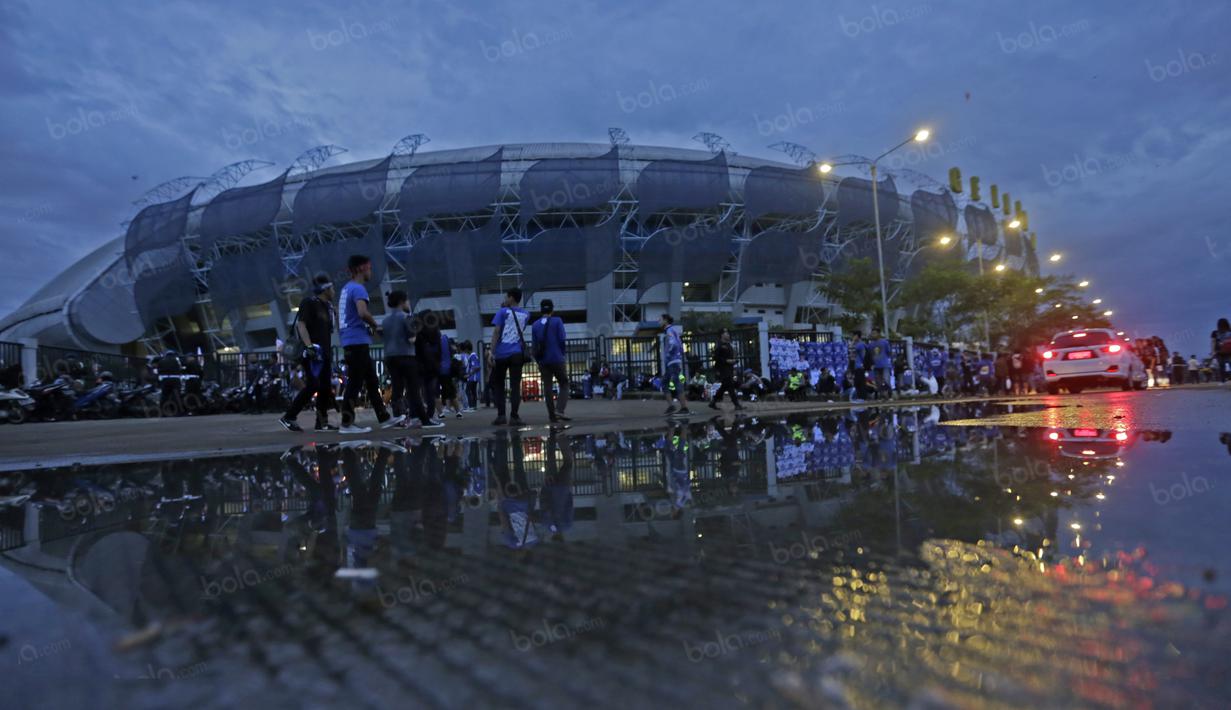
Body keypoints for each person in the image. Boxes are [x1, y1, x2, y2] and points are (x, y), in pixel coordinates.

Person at [338, 254, 403, 433]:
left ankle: (383, 417)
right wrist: (375, 325)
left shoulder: (346, 288)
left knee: (371, 381)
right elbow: (361, 312)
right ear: (360, 269)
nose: (370, 271)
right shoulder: (358, 289)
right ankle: (346, 423)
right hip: (356, 342)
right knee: (355, 383)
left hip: (352, 340)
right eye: (369, 267)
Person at [280, 275, 339, 432]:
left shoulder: (327, 306)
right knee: (314, 384)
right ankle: (289, 416)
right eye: (332, 288)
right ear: (325, 289)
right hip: (313, 353)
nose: (334, 291)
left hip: (325, 351)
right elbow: (301, 324)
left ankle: (322, 422)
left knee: (325, 387)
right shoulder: (309, 303)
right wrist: (309, 346)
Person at [381, 292, 440, 430]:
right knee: (413, 390)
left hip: (389, 357)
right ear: (402, 302)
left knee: (397, 388)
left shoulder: (385, 320)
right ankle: (424, 420)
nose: (408, 303)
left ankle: (397, 418)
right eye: (407, 301)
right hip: (406, 356)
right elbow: (411, 339)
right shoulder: (406, 317)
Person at [487, 287, 530, 425]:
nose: (505, 299)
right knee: (515, 386)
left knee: (498, 384)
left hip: (501, 354)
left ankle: (501, 416)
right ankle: (515, 416)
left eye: (506, 297)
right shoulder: (526, 314)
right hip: (517, 353)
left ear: (511, 298)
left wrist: (491, 352)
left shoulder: (502, 312)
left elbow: (497, 332)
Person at [532, 298, 571, 423]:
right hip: (557, 358)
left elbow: (534, 346)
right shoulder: (557, 321)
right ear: (552, 310)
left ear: (541, 309)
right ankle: (559, 410)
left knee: (547, 387)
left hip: (543, 360)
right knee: (564, 383)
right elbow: (562, 340)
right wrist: (562, 354)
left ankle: (552, 416)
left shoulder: (535, 325)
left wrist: (538, 360)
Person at [661, 313, 691, 415]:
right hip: (673, 361)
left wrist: (669, 354)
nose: (659, 321)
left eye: (660, 319)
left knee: (676, 382)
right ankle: (672, 406)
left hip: (672, 361)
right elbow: (679, 345)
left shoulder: (669, 330)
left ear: (665, 320)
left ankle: (684, 408)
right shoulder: (673, 330)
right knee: (665, 383)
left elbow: (673, 344)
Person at [708, 328, 743, 411]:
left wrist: (734, 361)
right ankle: (736, 404)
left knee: (724, 386)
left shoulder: (729, 345)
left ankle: (713, 402)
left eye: (728, 333)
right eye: (725, 333)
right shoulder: (719, 345)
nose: (728, 335)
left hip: (729, 368)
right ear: (721, 335)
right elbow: (716, 357)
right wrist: (726, 361)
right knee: (730, 385)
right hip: (722, 369)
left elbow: (732, 356)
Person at [868, 327, 892, 399]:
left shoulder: (884, 342)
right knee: (878, 382)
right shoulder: (870, 344)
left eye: (874, 333)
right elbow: (870, 355)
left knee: (886, 380)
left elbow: (888, 352)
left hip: (884, 365)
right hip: (875, 366)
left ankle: (889, 394)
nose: (873, 335)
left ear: (878, 334)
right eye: (872, 333)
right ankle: (882, 395)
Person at [849, 331, 868, 402]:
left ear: (857, 336)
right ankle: (860, 397)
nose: (852, 337)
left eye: (853, 335)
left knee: (860, 382)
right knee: (857, 382)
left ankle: (863, 397)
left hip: (859, 366)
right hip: (855, 365)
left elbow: (863, 356)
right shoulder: (855, 344)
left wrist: (863, 364)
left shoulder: (860, 345)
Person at [462, 342, 481, 412]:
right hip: (474, 377)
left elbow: (476, 367)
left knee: (468, 390)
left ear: (467, 349)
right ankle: (474, 406)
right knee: (473, 391)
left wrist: (469, 374)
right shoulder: (474, 355)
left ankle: (471, 406)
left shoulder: (472, 356)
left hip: (473, 377)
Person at [1214, 318, 1231, 384]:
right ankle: (1223, 380)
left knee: (1221, 366)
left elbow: (1216, 343)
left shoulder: (1217, 333)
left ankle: (1223, 381)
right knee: (1226, 365)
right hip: (1227, 351)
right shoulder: (1228, 332)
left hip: (1221, 351)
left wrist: (1215, 351)